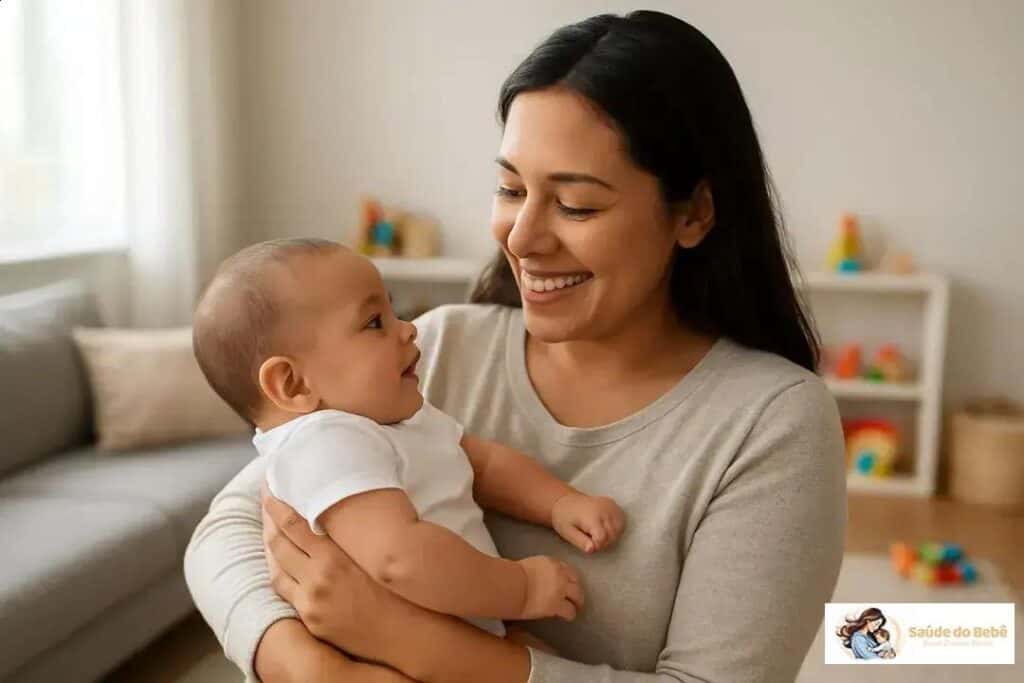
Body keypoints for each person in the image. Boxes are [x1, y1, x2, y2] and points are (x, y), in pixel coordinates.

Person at [185, 10, 846, 683]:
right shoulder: (432, 351)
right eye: (510, 188)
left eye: (577, 205)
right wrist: (305, 667)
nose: (522, 236)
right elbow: (227, 529)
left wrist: (398, 635)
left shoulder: (772, 423)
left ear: (694, 212)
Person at [191, 239, 625, 639]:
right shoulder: (323, 442)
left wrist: (558, 503)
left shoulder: (387, 419)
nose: (409, 329)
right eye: (375, 322)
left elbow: (485, 465)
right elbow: (400, 558)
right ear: (292, 384)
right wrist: (522, 588)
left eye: (394, 311)